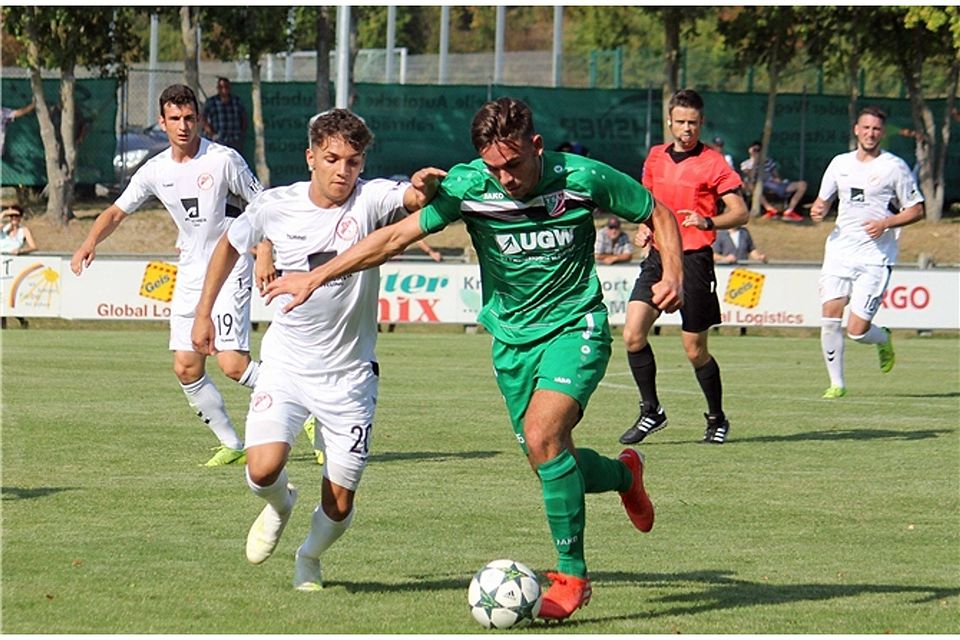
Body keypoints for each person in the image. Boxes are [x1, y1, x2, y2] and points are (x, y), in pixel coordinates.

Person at [262, 97, 684, 621]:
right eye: (493, 167)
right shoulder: (470, 186)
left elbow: (656, 212)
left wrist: (673, 272)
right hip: (511, 341)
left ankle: (571, 574)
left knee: (543, 435)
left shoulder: (582, 176)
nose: (505, 178)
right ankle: (624, 476)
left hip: (577, 326)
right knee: (549, 460)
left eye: (514, 164)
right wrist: (315, 276)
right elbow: (393, 237)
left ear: (536, 146)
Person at [191, 108, 445, 592]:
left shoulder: (371, 199)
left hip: (349, 378)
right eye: (332, 159)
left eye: (353, 161)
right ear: (311, 158)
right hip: (286, 365)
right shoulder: (275, 205)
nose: (342, 171)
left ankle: (309, 556)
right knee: (262, 469)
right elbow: (229, 244)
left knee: (340, 503)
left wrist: (425, 188)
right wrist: (204, 313)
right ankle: (280, 504)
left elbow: (413, 198)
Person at [71, 84, 265, 467]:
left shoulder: (224, 160)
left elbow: (262, 205)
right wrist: (89, 241)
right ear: (161, 122)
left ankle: (303, 405)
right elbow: (116, 212)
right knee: (186, 365)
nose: (183, 126)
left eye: (189, 118)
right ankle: (232, 443)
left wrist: (266, 253)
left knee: (231, 364)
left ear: (200, 120)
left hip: (231, 266)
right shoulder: (156, 170)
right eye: (174, 119)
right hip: (192, 269)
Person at [619, 89, 748, 447]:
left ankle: (716, 417)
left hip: (694, 261)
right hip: (659, 258)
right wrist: (644, 227)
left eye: (693, 123)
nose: (687, 129)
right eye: (681, 122)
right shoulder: (656, 157)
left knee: (694, 349)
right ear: (670, 122)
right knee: (632, 335)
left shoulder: (714, 162)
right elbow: (645, 204)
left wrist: (708, 222)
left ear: (701, 123)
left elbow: (741, 212)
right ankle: (651, 410)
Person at [810, 106, 924, 399]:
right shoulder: (839, 164)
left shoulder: (893, 167)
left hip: (876, 257)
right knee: (829, 316)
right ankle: (837, 384)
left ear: (881, 133)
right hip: (840, 251)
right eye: (866, 128)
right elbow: (822, 201)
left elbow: (916, 209)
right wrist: (819, 209)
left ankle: (882, 338)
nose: (870, 133)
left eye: (876, 129)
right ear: (856, 130)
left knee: (857, 330)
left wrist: (887, 222)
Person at [740, 141, 807, 222]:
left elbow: (775, 174)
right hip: (758, 185)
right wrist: (755, 161)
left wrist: (778, 179)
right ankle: (770, 210)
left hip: (773, 184)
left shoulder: (768, 161)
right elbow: (751, 176)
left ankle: (789, 211)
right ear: (750, 150)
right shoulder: (745, 164)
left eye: (759, 150)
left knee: (802, 185)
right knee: (751, 186)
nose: (757, 152)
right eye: (755, 149)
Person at [1, 204, 38, 329]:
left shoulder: (24, 230)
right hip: (2, 264)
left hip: (14, 265)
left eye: (16, 217)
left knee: (9, 295)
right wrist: (4, 214)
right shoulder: (4, 229)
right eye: (11, 217)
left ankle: (21, 319)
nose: (13, 219)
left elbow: (34, 246)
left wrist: (20, 251)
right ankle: (3, 325)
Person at [203, 77, 247, 153]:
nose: (224, 89)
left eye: (226, 87)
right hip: (218, 140)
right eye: (221, 87)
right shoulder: (211, 102)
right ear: (217, 88)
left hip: (235, 140)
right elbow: (203, 118)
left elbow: (243, 117)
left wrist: (241, 134)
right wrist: (211, 134)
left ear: (229, 88)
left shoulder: (237, 101)